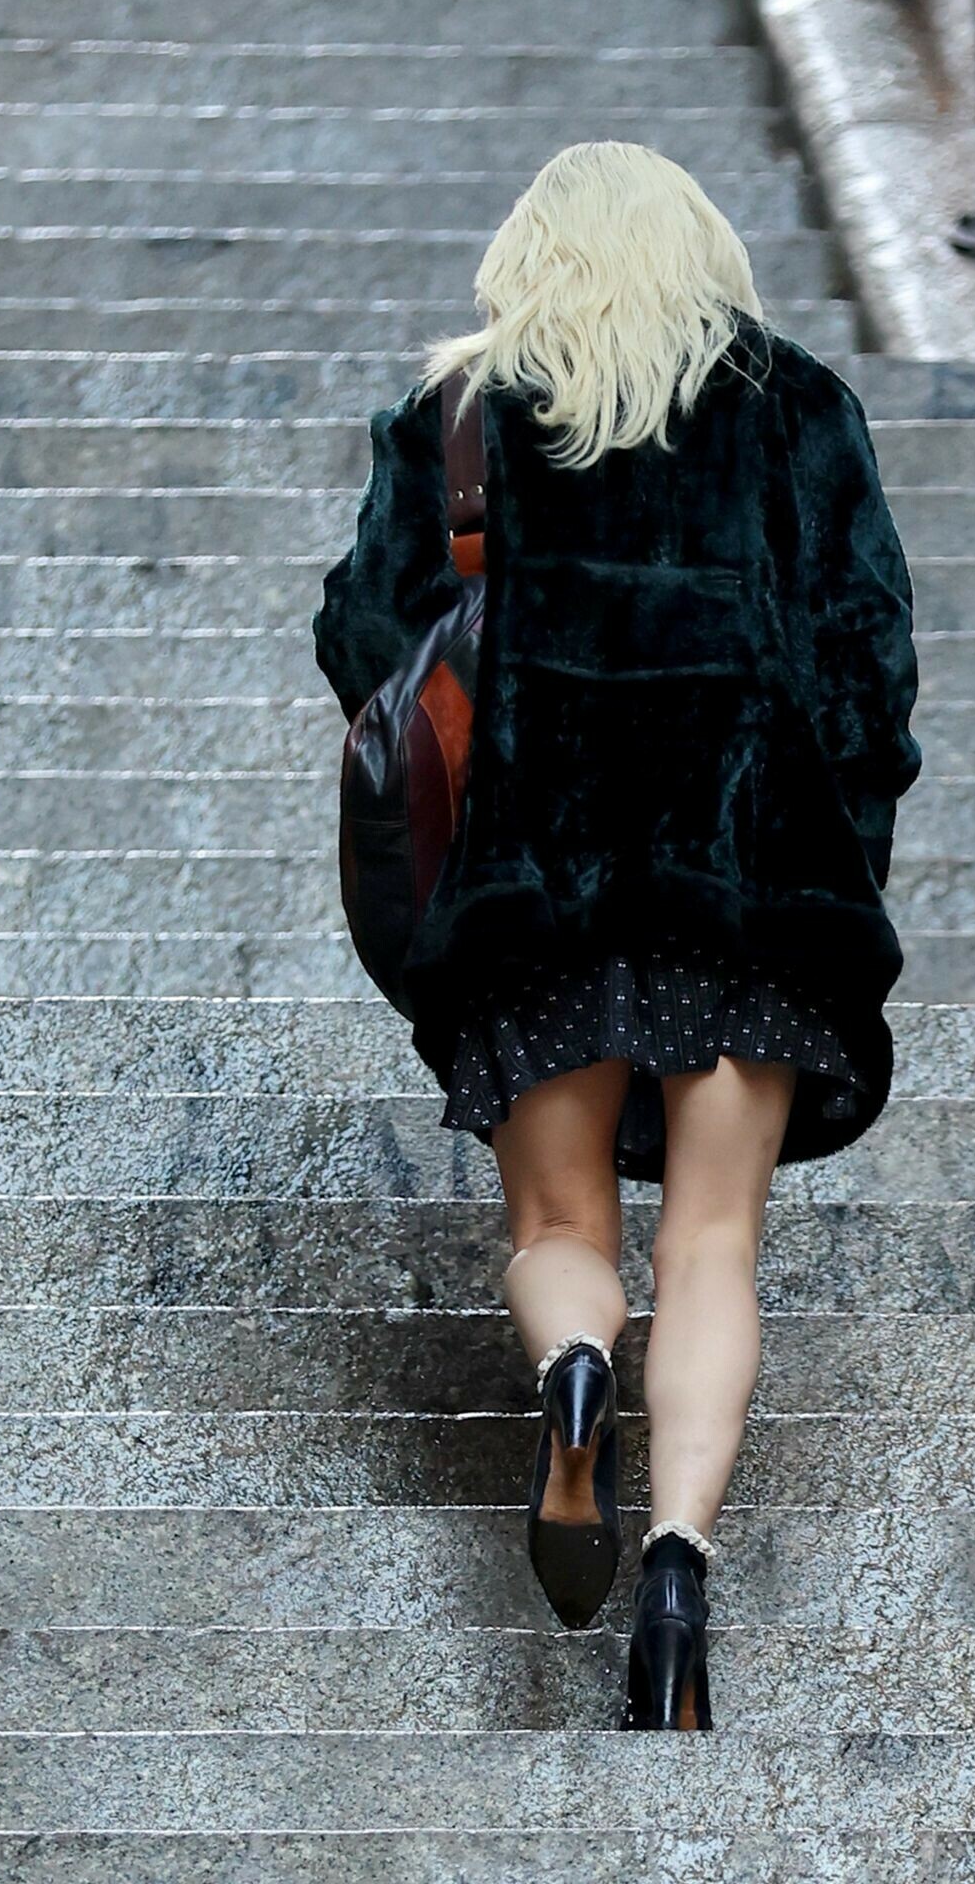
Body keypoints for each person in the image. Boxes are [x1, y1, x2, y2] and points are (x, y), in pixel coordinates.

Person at [313, 139, 922, 1731]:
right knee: (713, 1243)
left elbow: (366, 639)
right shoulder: (798, 407)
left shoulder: (456, 415)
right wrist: (835, 843)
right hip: (751, 892)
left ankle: (575, 1377)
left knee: (560, 1227)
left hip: (535, 895)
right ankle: (674, 1574)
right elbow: (869, 664)